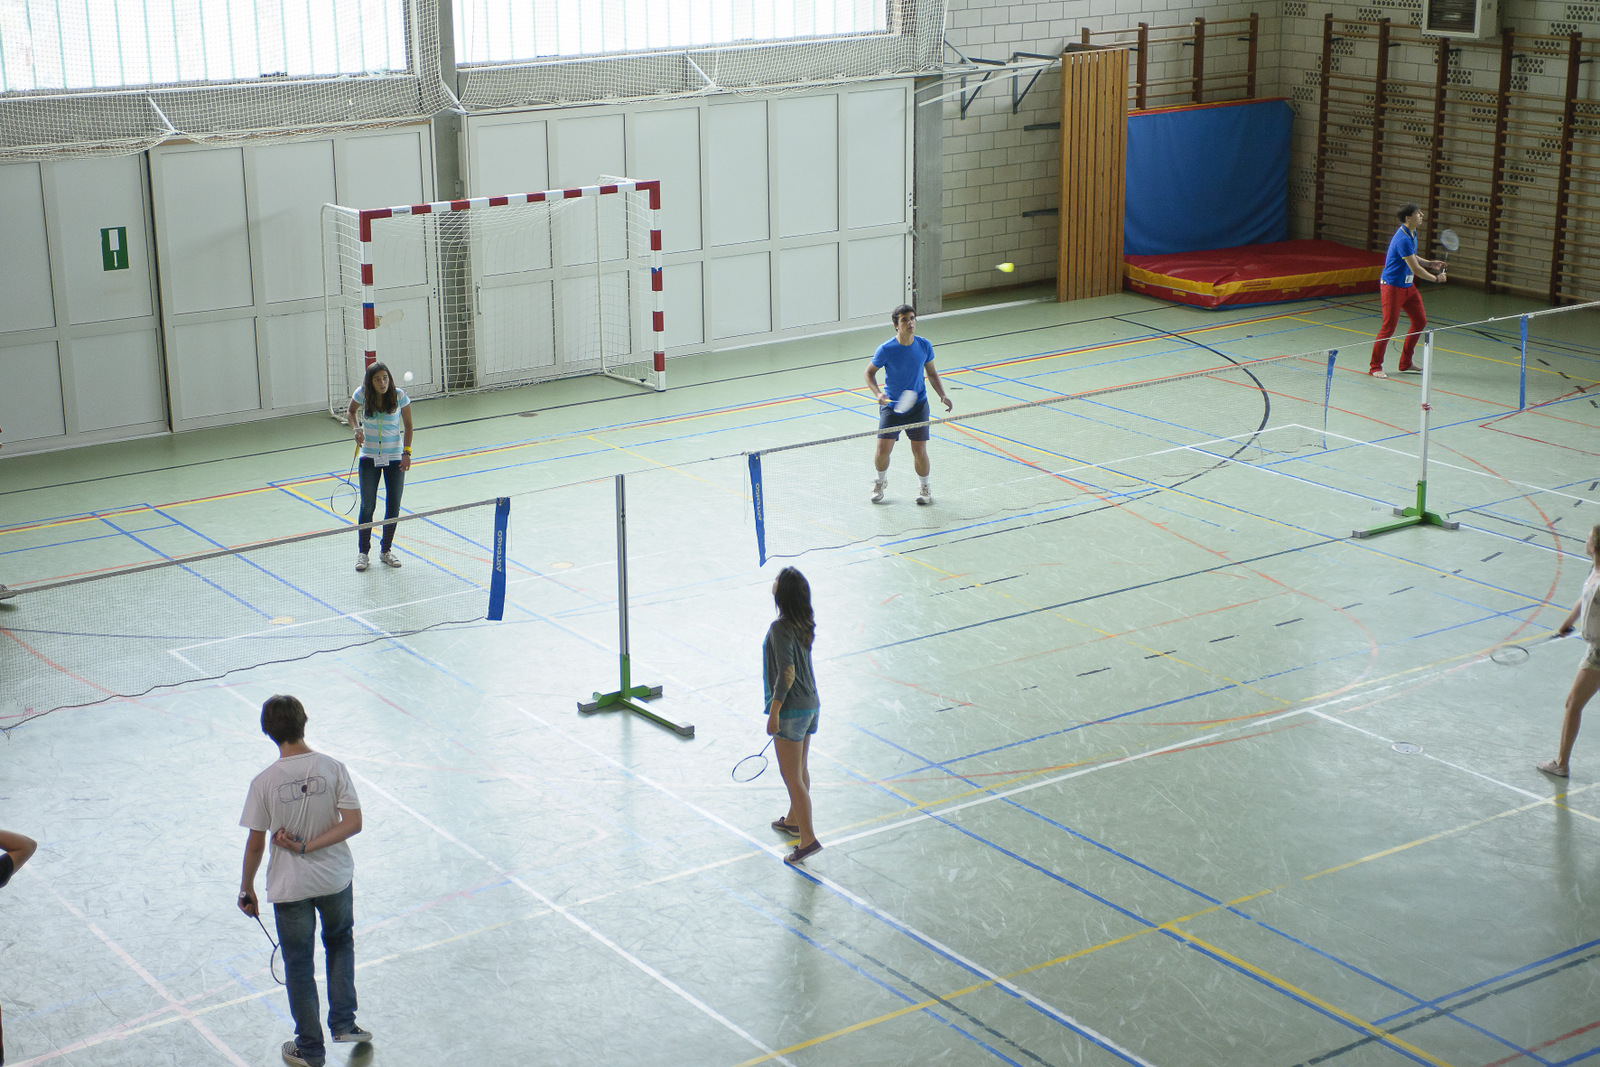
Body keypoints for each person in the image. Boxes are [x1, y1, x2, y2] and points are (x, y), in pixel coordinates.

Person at [238, 695, 371, 1067]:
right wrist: (309, 846)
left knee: (298, 963)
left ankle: (310, 1050)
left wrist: (246, 887)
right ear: (304, 722)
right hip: (334, 880)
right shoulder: (332, 768)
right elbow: (353, 823)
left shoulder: (263, 783)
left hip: (290, 888)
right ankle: (344, 1023)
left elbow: (255, 842)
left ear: (268, 731)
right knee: (340, 944)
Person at [865, 304, 954, 505]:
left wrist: (942, 395)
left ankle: (925, 487)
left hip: (918, 406)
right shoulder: (886, 349)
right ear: (896, 325)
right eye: (904, 319)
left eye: (912, 318)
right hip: (892, 407)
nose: (910, 322)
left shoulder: (924, 345)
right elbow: (869, 373)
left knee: (919, 451)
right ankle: (880, 482)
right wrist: (878, 392)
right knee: (882, 451)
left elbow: (931, 373)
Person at [764, 567, 823, 865]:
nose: (772, 582)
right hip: (812, 705)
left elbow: (786, 675)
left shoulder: (779, 628)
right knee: (800, 770)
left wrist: (774, 713)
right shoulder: (804, 624)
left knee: (792, 778)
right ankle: (793, 819)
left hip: (791, 710)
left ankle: (808, 839)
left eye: (777, 580)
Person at [1536, 523, 1600, 779]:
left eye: (1587, 538)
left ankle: (1561, 764)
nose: (1584, 540)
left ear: (1594, 547)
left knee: (1573, 703)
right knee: (1573, 702)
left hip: (1598, 651)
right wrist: (1568, 623)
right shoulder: (1593, 570)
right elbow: (1584, 599)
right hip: (1594, 647)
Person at [345, 362, 413, 572]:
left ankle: (386, 551)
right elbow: (350, 412)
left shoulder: (399, 395)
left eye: (385, 378)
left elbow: (409, 426)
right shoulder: (362, 394)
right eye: (377, 379)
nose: (382, 383)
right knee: (367, 507)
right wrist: (356, 429)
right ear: (370, 382)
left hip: (394, 458)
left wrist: (407, 453)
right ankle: (363, 553)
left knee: (393, 506)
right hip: (369, 458)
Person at [1369, 203, 1447, 379]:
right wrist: (1436, 279)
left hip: (1407, 286)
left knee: (1420, 321)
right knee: (1388, 327)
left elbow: (1413, 257)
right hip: (1392, 287)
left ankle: (1405, 363)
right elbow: (1415, 268)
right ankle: (1375, 366)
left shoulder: (1411, 233)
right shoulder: (1402, 238)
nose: (1422, 215)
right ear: (1408, 218)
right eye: (1418, 213)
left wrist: (1430, 263)